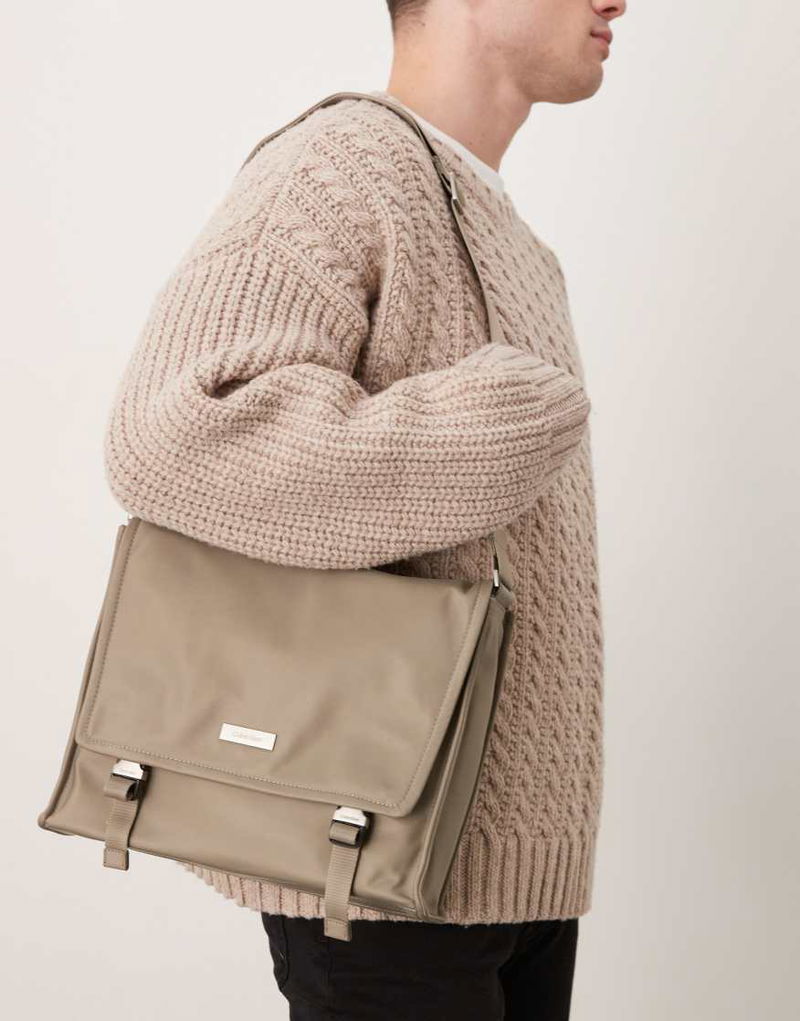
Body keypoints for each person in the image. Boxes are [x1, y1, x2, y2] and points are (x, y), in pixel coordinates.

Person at [102, 0, 625, 1016]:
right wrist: (484, 427)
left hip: (516, 875)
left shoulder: (513, 238)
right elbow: (172, 434)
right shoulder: (338, 166)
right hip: (370, 868)